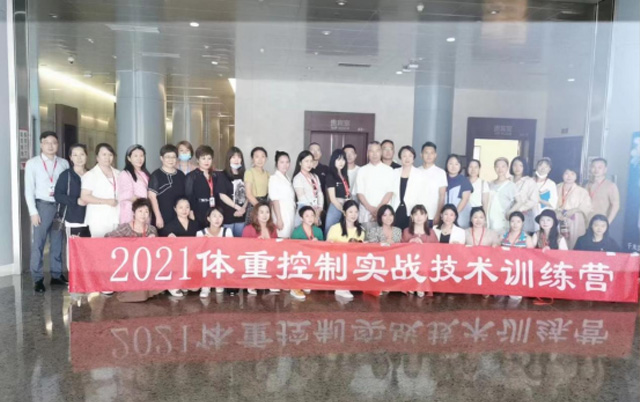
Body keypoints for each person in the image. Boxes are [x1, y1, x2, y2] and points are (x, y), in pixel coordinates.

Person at [25, 131, 70, 292]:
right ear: (41, 144)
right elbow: (29, 190)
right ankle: (38, 279)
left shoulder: (64, 163)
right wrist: (33, 212)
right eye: (47, 142)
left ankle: (56, 275)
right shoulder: (33, 163)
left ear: (58, 145)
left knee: (57, 242)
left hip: (59, 207)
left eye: (54, 143)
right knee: (39, 243)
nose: (51, 146)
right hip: (43, 206)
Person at [105, 198, 161, 302]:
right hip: (128, 266)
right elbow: (107, 238)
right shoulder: (126, 228)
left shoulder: (152, 230)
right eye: (140, 211)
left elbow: (157, 251)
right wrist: (127, 243)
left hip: (146, 267)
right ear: (134, 213)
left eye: (146, 211)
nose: (143, 214)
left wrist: (154, 241)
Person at [55, 144, 91, 278]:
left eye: (82, 154)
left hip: (91, 218)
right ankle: (75, 279)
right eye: (75, 155)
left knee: (89, 250)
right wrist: (76, 201)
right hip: (74, 218)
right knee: (74, 250)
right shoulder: (66, 175)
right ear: (70, 157)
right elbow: (58, 195)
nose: (79, 158)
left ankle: (88, 279)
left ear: (86, 156)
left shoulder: (92, 174)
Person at [326, 200, 365, 300]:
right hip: (337, 261)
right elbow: (328, 248)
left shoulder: (361, 231)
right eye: (350, 212)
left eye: (356, 212)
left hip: (353, 261)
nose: (353, 215)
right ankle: (341, 287)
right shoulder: (335, 228)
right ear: (344, 213)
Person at [81, 143, 120, 238]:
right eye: (104, 154)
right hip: (98, 218)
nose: (107, 157)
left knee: (115, 245)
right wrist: (106, 201)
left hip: (116, 216)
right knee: (100, 245)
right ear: (97, 157)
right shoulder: (91, 175)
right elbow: (85, 196)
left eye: (110, 155)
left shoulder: (118, 173)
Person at [148, 144, 186, 236]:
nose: (171, 160)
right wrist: (158, 216)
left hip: (178, 216)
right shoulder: (156, 175)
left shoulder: (181, 175)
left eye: (173, 157)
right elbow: (152, 197)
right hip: (162, 215)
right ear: (161, 158)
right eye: (168, 157)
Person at [242, 201, 279, 295]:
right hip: (255, 259)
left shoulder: (273, 228)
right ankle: (252, 282)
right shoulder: (248, 229)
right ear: (256, 214)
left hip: (269, 258)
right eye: (261, 212)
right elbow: (243, 249)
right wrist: (256, 244)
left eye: (267, 212)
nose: (265, 215)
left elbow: (276, 246)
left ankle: (270, 281)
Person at [196, 207, 234, 297]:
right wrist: (204, 242)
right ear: (208, 218)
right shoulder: (200, 233)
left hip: (221, 263)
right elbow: (197, 253)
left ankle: (219, 282)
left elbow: (231, 250)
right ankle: (205, 285)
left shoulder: (227, 231)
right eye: (214, 216)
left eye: (220, 216)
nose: (217, 219)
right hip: (207, 264)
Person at [356, 141, 395, 227]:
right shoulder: (361, 170)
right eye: (371, 151)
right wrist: (371, 209)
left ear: (381, 152)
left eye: (377, 151)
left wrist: (378, 210)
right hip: (366, 213)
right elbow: (359, 193)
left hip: (384, 213)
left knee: (383, 235)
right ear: (367, 153)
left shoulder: (389, 170)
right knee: (366, 235)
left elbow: (390, 192)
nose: (374, 154)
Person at [401, 204, 437, 298]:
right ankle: (414, 286)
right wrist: (410, 242)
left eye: (421, 214)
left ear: (426, 216)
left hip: (427, 262)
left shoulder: (431, 232)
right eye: (416, 214)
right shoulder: (406, 231)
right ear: (412, 217)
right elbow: (401, 251)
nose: (419, 217)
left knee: (424, 266)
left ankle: (419, 286)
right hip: (410, 261)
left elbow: (436, 250)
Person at [290, 206, 324, 300]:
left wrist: (318, 244)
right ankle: (295, 287)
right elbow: (292, 251)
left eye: (312, 215)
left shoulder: (318, 231)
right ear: (302, 218)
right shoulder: (296, 232)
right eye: (307, 216)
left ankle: (306, 281)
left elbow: (323, 249)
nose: (310, 218)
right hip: (301, 260)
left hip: (314, 260)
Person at [501, 211, 534, 301]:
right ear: (509, 222)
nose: (515, 224)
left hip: (519, 271)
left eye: (518, 221)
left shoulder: (527, 238)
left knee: (515, 298)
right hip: (505, 269)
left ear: (522, 223)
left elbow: (532, 256)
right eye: (512, 221)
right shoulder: (503, 236)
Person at [556, 168, 592, 249]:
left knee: (574, 243)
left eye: (572, 174)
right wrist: (556, 212)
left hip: (575, 220)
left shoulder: (582, 191)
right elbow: (551, 203)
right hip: (558, 218)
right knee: (559, 243)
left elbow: (587, 206)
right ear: (562, 175)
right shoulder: (556, 187)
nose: (569, 176)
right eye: (566, 173)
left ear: (576, 176)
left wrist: (574, 210)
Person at [185, 145, 220, 229]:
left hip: (213, 208)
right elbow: (188, 195)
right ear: (198, 160)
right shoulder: (191, 176)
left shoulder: (215, 175)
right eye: (203, 158)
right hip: (198, 209)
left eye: (209, 158)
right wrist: (191, 211)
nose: (206, 161)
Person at [391, 146, 425, 230]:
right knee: (395, 233)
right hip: (396, 208)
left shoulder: (419, 174)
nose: (407, 158)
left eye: (410, 156)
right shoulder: (394, 172)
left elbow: (422, 194)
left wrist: (419, 212)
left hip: (412, 210)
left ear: (413, 158)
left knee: (409, 233)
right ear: (400, 157)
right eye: (404, 156)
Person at [217, 147, 247, 237]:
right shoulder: (222, 175)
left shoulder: (245, 174)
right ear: (228, 159)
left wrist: (243, 209)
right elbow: (222, 195)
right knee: (228, 241)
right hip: (227, 215)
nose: (236, 160)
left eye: (239, 157)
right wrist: (237, 207)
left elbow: (249, 193)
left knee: (240, 241)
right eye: (233, 157)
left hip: (241, 215)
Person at [117, 144, 150, 224]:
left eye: (141, 156)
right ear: (129, 158)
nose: (139, 159)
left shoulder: (144, 173)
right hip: (131, 212)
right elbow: (126, 194)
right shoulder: (125, 174)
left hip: (144, 212)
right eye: (135, 156)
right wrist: (143, 202)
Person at [418, 141, 447, 226]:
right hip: (418, 215)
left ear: (435, 155)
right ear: (421, 155)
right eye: (426, 153)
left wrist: (438, 214)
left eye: (432, 153)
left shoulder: (441, 173)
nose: (429, 155)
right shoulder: (416, 171)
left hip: (432, 215)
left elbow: (442, 196)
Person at [293, 150, 324, 227]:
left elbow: (320, 193)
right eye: (306, 161)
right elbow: (302, 198)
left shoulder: (315, 176)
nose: (309, 164)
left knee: (314, 232)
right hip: (304, 210)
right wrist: (314, 213)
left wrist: (319, 209)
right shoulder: (298, 178)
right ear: (300, 163)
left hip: (316, 210)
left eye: (311, 161)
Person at [269, 151, 296, 238]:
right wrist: (279, 219)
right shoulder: (274, 178)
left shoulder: (288, 178)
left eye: (287, 162)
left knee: (289, 238)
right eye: (282, 162)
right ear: (277, 164)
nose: (285, 165)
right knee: (282, 237)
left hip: (290, 212)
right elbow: (275, 200)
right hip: (281, 213)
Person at [325, 149, 351, 235]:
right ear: (333, 160)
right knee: (330, 231)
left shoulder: (345, 175)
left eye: (343, 159)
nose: (341, 162)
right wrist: (343, 210)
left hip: (346, 207)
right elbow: (332, 198)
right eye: (338, 159)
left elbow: (348, 192)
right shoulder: (330, 176)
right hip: (336, 207)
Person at [508, 156, 538, 233]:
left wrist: (519, 209)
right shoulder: (508, 180)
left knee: (523, 237)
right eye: (515, 165)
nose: (517, 168)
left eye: (520, 165)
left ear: (524, 167)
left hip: (524, 214)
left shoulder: (529, 181)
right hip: (508, 215)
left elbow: (533, 200)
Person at [585, 158, 620, 224]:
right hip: (586, 222)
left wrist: (607, 222)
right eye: (593, 167)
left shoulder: (611, 186)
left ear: (605, 169)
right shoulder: (587, 185)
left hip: (600, 223)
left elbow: (616, 206)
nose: (596, 170)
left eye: (599, 167)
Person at [445, 154, 473, 229]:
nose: (453, 166)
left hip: (460, 216)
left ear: (460, 166)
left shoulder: (464, 180)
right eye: (450, 163)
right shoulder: (443, 178)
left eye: (456, 164)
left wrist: (454, 214)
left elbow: (465, 199)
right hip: (445, 217)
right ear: (446, 165)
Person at [488, 157, 516, 233]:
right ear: (494, 168)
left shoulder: (511, 185)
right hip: (491, 218)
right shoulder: (490, 184)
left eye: (503, 166)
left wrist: (510, 212)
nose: (500, 169)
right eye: (497, 166)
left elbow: (519, 202)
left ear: (507, 168)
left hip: (504, 219)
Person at [244, 147, 270, 225]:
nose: (260, 160)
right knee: (253, 228)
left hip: (265, 203)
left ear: (266, 159)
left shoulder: (267, 173)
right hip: (254, 204)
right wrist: (259, 208)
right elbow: (248, 194)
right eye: (257, 156)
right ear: (252, 159)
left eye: (263, 156)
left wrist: (265, 209)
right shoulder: (249, 172)